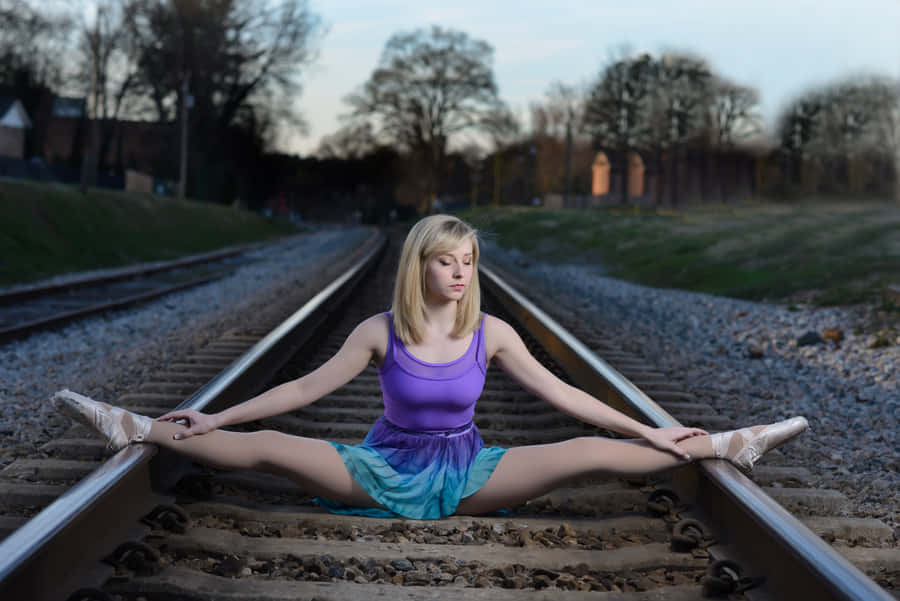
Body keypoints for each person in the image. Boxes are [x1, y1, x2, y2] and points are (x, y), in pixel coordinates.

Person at [51, 215, 808, 520]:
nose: (459, 272)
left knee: (586, 450)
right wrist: (216, 414)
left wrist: (652, 429)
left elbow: (565, 395)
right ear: (420, 265)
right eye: (446, 261)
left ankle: (725, 444)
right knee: (272, 445)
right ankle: (137, 428)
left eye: (467, 261)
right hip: (383, 467)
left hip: (468, 470)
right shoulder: (380, 331)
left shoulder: (493, 332)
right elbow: (304, 388)